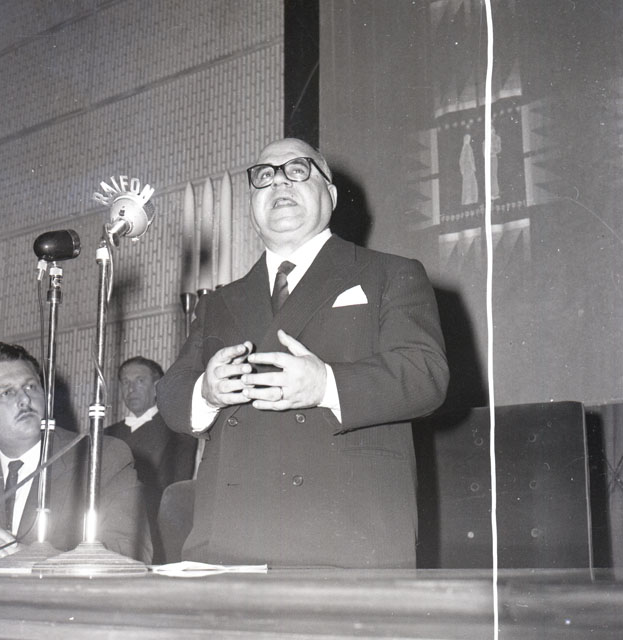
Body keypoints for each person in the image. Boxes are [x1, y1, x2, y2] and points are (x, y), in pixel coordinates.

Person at [157, 137, 449, 568]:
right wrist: (206, 392)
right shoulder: (219, 301)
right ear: (252, 206)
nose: (279, 183)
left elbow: (426, 374)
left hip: (347, 536)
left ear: (330, 194)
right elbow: (171, 393)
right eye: (264, 176)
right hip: (230, 541)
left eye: (298, 170)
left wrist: (325, 384)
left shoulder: (390, 273)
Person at [0, 342, 152, 562]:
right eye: (7, 392)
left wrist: (37, 562)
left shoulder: (101, 458)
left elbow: (130, 554)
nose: (25, 399)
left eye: (31, 387)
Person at [106, 356, 195, 562]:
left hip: (154, 532)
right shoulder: (107, 434)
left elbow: (174, 490)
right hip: (110, 530)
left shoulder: (176, 429)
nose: (131, 389)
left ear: (156, 387)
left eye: (140, 381)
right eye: (125, 382)